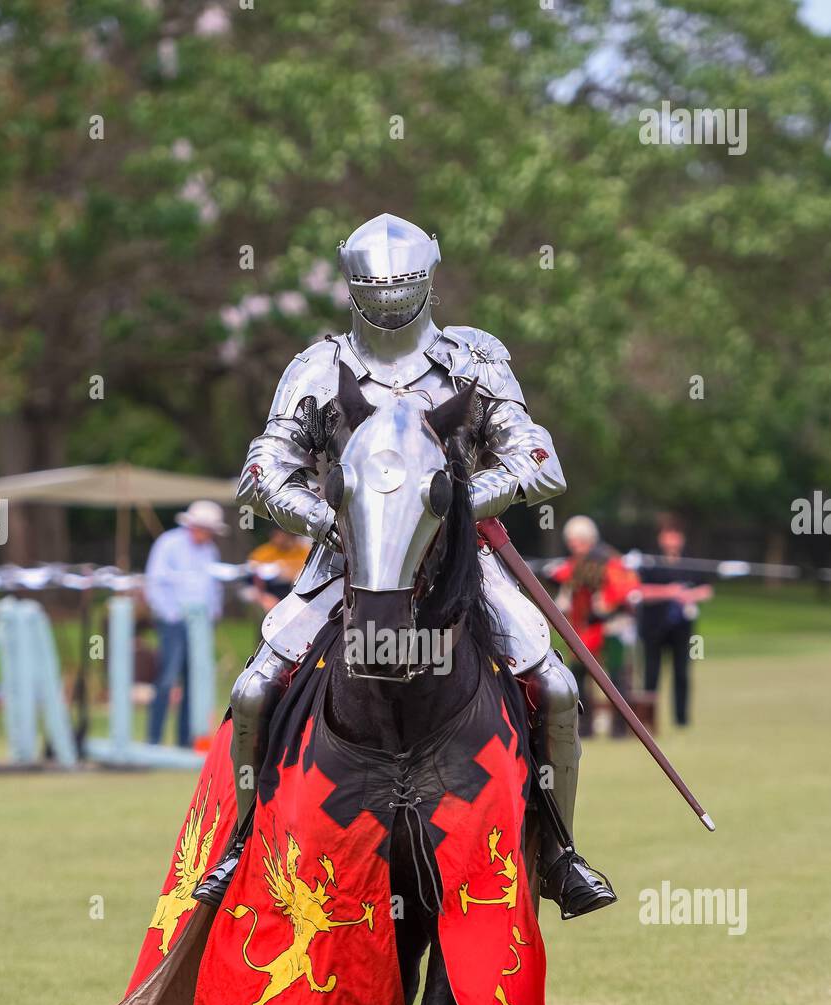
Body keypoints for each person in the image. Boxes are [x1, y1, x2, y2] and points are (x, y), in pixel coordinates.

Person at [194, 212, 615, 919]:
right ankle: (244, 841)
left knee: (557, 686)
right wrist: (334, 517)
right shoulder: (320, 364)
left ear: (430, 280)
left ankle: (558, 853)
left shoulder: (473, 358)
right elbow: (263, 471)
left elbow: (538, 461)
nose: (390, 304)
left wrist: (455, 504)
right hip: (348, 558)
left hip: (458, 560)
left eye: (403, 287)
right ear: (353, 286)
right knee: (254, 691)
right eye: (376, 290)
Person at [144, 500, 227, 747]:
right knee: (168, 677)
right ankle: (154, 739)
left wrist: (212, 616)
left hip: (200, 623)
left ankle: (184, 740)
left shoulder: (211, 551)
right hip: (173, 621)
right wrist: (171, 615)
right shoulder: (169, 543)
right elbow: (155, 582)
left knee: (194, 679)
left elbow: (214, 588)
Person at [549, 516, 641, 737]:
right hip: (584, 630)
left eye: (579, 541)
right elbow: (564, 589)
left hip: (612, 628)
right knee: (578, 676)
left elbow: (626, 589)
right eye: (572, 541)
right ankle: (586, 727)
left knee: (617, 677)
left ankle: (619, 729)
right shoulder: (573, 565)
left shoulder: (609, 561)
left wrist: (607, 604)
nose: (574, 546)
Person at [637, 516, 714, 727]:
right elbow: (640, 592)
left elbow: (707, 590)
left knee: (682, 672)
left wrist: (690, 595)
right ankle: (648, 719)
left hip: (682, 627)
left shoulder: (692, 562)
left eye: (675, 535)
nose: (672, 540)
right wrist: (669, 592)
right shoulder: (650, 562)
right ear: (661, 538)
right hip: (653, 626)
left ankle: (681, 719)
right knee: (651, 674)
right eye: (667, 535)